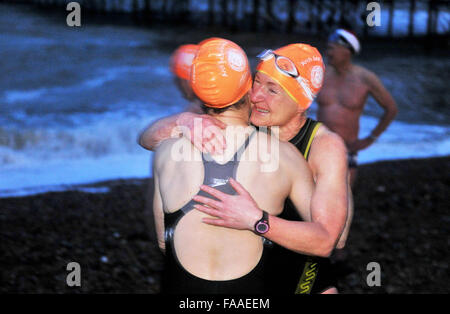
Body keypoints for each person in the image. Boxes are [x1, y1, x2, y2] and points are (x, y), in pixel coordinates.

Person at [140, 44, 350, 294]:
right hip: (252, 277)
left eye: (272, 90)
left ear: (301, 103)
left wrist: (256, 221)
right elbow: (148, 139)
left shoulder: (324, 146)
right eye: (257, 82)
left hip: (301, 274)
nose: (257, 96)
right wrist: (184, 121)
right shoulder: (249, 119)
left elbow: (335, 239)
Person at [317, 29, 398, 186]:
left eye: (331, 48)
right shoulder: (321, 75)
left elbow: (391, 108)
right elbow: (299, 103)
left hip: (347, 148)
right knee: (312, 200)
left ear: (347, 51)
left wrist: (370, 139)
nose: (327, 53)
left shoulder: (365, 78)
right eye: (327, 48)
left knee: (343, 199)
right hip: (319, 145)